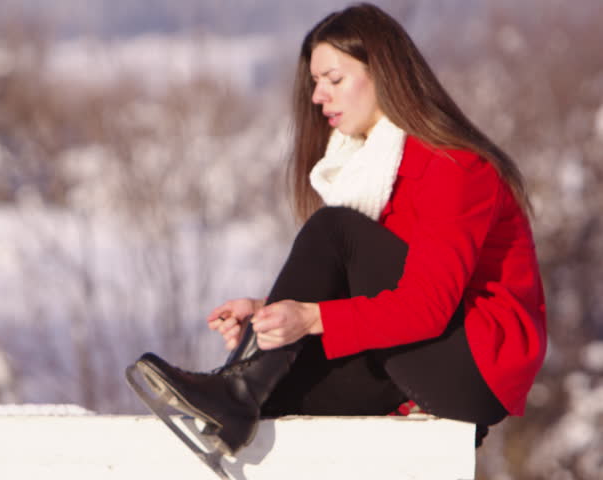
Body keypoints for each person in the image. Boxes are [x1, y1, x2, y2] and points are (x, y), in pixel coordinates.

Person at [130, 2, 547, 455]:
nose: (317, 97)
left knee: (335, 230)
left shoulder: (454, 166)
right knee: (281, 393)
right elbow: (377, 294)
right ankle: (240, 395)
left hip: (472, 368)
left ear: (384, 74)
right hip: (416, 356)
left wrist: (310, 316)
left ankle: (238, 390)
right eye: (315, 83)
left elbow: (426, 305)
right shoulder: (375, 168)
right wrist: (268, 314)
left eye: (334, 79)